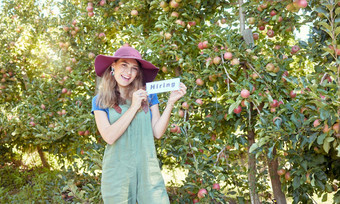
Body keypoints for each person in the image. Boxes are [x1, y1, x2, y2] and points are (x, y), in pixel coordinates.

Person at [91, 46, 187, 204]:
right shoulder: (99, 100)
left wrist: (170, 103)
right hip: (117, 172)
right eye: (123, 65)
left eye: (134, 68)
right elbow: (109, 136)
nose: (128, 72)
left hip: (147, 170)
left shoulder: (149, 95)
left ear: (138, 73)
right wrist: (134, 106)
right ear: (113, 66)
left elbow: (157, 132)